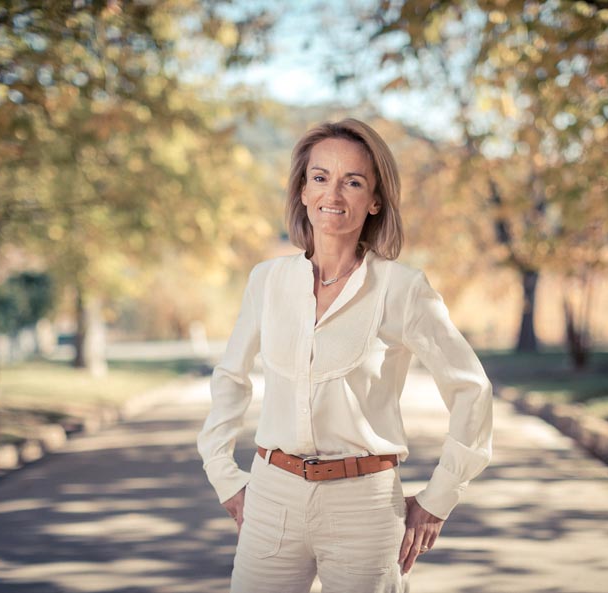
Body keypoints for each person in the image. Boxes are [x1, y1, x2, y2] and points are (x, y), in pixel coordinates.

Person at [197, 118, 494, 593]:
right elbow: (231, 379)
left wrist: (440, 497)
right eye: (320, 177)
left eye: (352, 181)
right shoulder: (267, 280)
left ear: (374, 200)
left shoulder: (402, 288)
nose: (332, 194)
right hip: (272, 496)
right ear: (302, 189)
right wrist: (224, 476)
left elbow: (471, 389)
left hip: (366, 507)